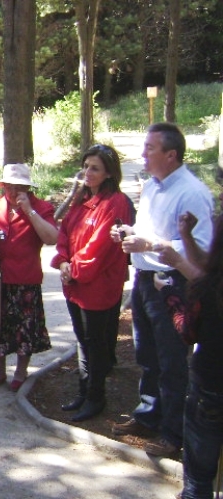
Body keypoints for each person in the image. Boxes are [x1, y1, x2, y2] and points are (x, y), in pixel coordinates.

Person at [110, 122, 213, 457]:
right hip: (144, 280)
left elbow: (201, 250)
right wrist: (128, 232)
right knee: (147, 356)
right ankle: (148, 415)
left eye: (150, 148)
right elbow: (146, 229)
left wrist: (149, 244)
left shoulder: (192, 193)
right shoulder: (153, 186)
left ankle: (173, 434)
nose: (143, 153)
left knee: (171, 361)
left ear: (171, 155)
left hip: (172, 283)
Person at [50, 145, 131, 422]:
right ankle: (84, 392)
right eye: (85, 166)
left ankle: (97, 397)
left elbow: (100, 246)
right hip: (74, 284)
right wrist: (62, 261)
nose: (87, 172)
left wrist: (75, 269)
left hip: (97, 287)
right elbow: (65, 235)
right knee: (83, 342)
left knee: (95, 344)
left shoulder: (115, 202)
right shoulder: (81, 201)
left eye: (94, 167)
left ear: (109, 172)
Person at [0, 163, 57, 393]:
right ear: (3, 185)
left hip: (25, 277)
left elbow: (51, 238)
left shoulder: (41, 207)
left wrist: (29, 211)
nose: (13, 190)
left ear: (28, 188)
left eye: (19, 186)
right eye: (9, 185)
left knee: (24, 328)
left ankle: (20, 372)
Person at [155, 213, 223, 499]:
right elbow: (208, 267)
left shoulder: (210, 290)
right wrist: (186, 236)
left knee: (198, 478)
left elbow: (187, 331)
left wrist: (170, 294)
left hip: (211, 391)